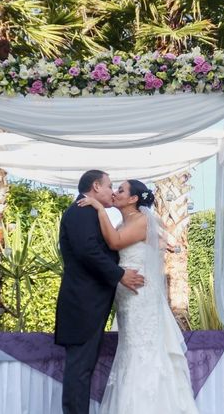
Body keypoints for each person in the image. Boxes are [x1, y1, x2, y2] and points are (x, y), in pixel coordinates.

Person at [78, 179, 200, 414]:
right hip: (126, 297)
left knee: (140, 350)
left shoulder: (143, 220)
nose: (115, 193)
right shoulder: (125, 221)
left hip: (140, 295)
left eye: (121, 190)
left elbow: (114, 242)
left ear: (133, 199)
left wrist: (99, 208)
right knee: (128, 349)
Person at [54, 170, 146, 414]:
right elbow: (88, 252)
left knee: (83, 369)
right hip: (82, 304)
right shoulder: (81, 211)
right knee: (79, 370)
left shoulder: (92, 212)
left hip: (90, 303)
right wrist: (120, 274)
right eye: (110, 186)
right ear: (96, 186)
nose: (112, 191)